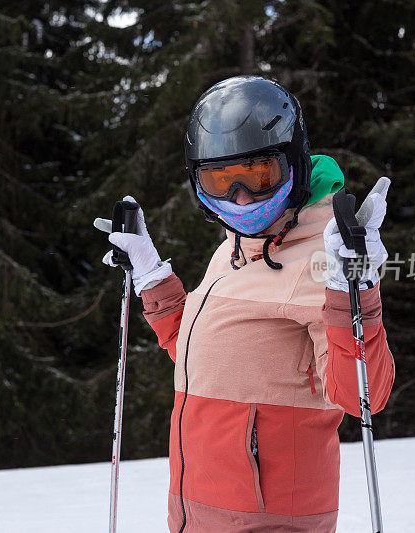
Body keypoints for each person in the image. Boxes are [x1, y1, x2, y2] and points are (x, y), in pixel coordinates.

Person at [94, 76, 395, 532]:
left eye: (259, 176)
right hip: (199, 510)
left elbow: (362, 397)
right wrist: (153, 276)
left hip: (269, 520)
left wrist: (354, 289)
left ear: (293, 163)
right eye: (220, 181)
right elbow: (206, 356)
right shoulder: (234, 248)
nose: (240, 197)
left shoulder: (323, 257)